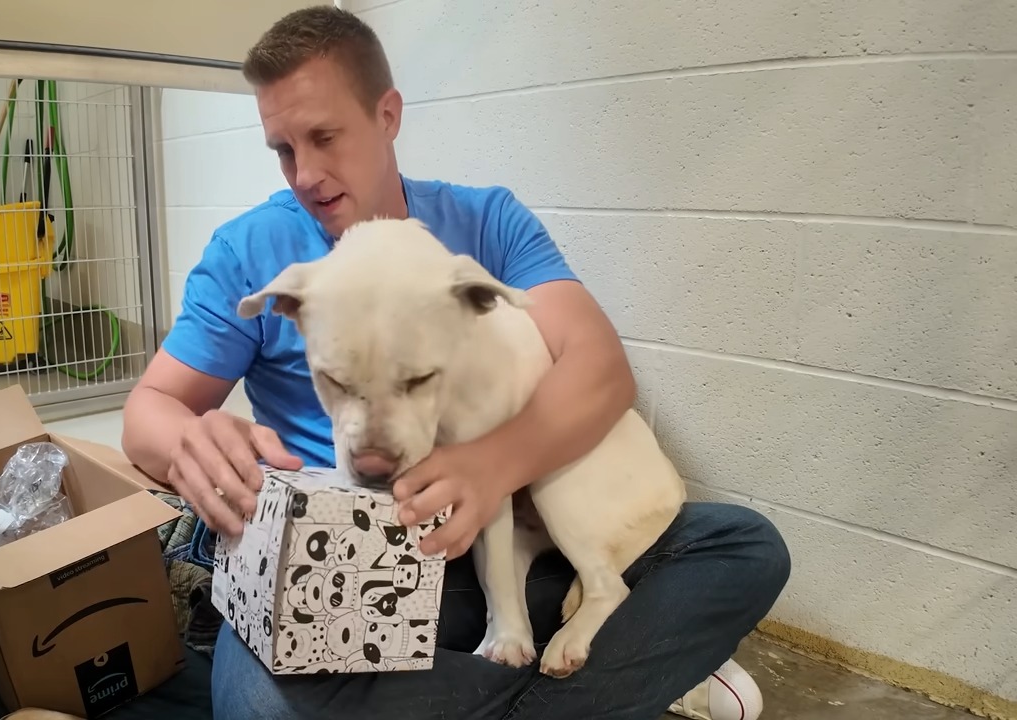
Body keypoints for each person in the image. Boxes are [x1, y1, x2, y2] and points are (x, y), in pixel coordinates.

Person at [122, 6, 791, 720]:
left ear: (387, 115)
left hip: (506, 548)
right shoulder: (250, 254)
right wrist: (188, 439)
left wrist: (493, 465)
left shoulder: (487, 224)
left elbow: (599, 366)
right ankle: (630, 670)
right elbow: (147, 412)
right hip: (337, 566)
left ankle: (540, 675)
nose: (306, 175)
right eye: (283, 150)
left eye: (324, 137)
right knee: (265, 705)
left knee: (745, 547)